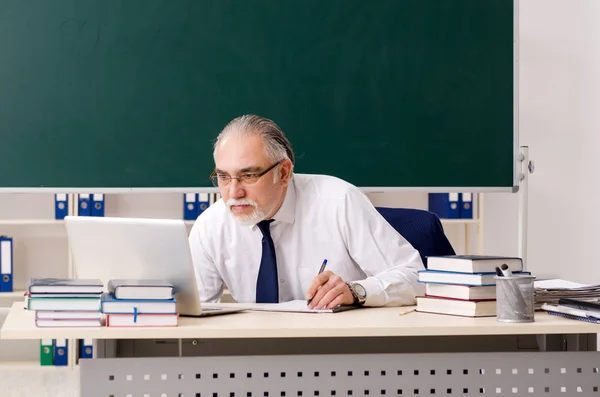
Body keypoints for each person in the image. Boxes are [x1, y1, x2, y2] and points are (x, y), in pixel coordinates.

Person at [188, 115, 425, 309]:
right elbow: (193, 309)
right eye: (223, 176)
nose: (233, 192)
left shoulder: (339, 202)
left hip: (341, 351)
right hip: (254, 358)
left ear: (282, 173)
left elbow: (417, 278)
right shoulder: (210, 226)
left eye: (248, 176)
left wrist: (357, 291)